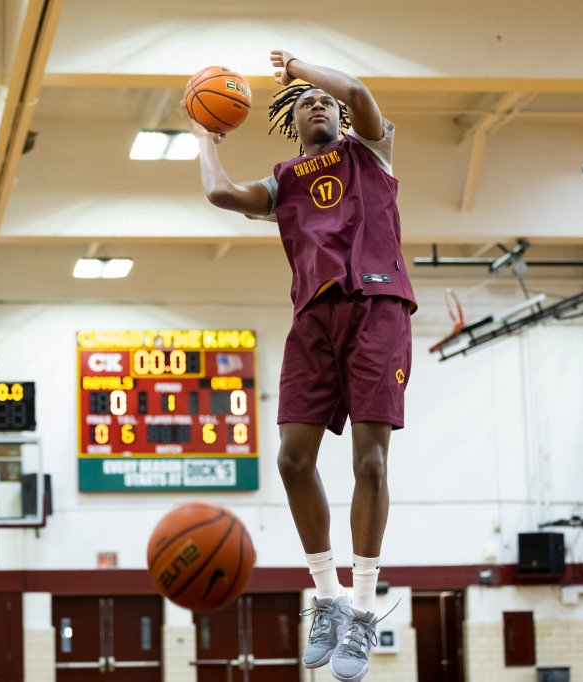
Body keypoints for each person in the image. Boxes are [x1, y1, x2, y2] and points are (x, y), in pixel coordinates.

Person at [187, 50, 415, 682]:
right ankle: (329, 598)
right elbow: (218, 192)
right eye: (309, 102)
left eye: (326, 101)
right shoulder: (283, 180)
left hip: (377, 307)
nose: (320, 103)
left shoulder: (370, 152)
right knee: (291, 459)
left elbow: (361, 92)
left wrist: (304, 70)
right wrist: (205, 137)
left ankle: (364, 610)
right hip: (313, 319)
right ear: (291, 123)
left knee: (369, 460)